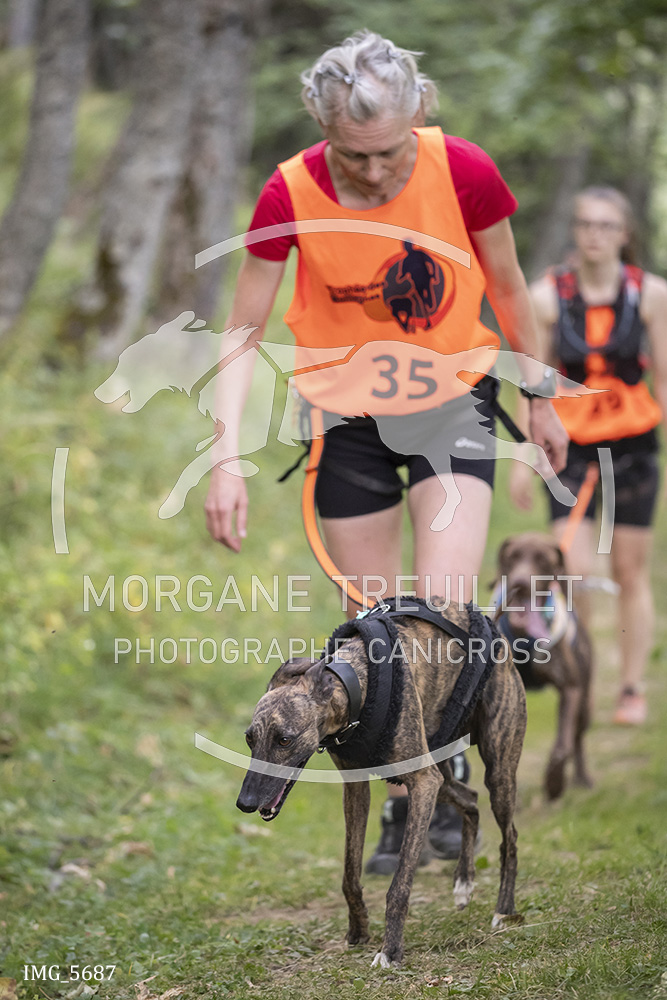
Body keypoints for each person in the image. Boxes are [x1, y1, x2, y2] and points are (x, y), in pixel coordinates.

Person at [205, 30, 567, 872]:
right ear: (319, 125)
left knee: (438, 617)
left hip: (451, 406)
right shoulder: (288, 190)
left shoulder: (463, 171)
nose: (371, 172)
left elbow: (508, 286)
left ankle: (444, 778)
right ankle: (409, 803)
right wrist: (224, 456)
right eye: (351, 154)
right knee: (373, 636)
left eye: (388, 151)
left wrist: (540, 396)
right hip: (347, 422)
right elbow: (241, 331)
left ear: (419, 113)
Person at [519, 187, 667, 726]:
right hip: (570, 445)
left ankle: (631, 688)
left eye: (606, 226)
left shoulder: (651, 294)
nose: (594, 235)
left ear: (624, 234)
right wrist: (523, 458)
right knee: (574, 569)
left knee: (629, 570)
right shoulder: (546, 298)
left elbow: (663, 378)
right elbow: (531, 382)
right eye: (585, 224)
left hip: (633, 445)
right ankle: (581, 678)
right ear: (575, 231)